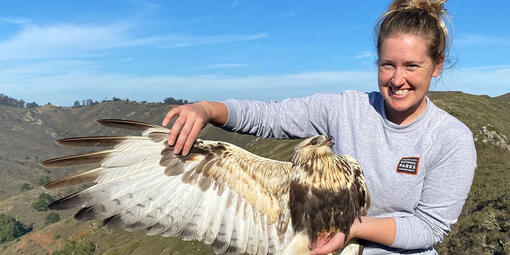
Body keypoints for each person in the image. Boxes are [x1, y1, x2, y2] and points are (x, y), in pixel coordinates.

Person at [161, 0, 476, 254]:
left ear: (436, 66)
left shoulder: (451, 139)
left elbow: (429, 227)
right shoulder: (345, 109)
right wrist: (207, 109)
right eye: (387, 65)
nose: (396, 79)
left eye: (411, 66)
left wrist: (351, 229)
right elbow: (270, 117)